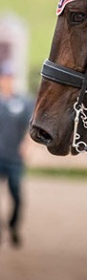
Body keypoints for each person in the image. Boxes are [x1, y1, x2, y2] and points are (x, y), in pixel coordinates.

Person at [0, 63, 33, 248]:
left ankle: (13, 227)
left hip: (15, 158)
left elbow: (30, 128)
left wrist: (26, 145)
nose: (8, 81)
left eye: (11, 78)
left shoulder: (23, 102)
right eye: (6, 78)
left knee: (17, 196)